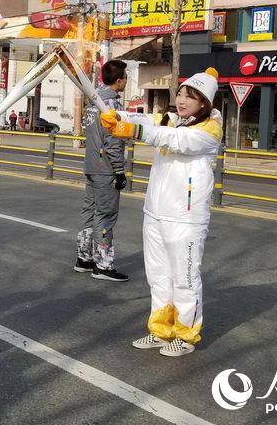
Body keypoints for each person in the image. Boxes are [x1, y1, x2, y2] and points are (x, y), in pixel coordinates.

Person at [101, 68, 222, 358]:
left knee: (185, 278)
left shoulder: (209, 129)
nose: (181, 100)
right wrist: (119, 118)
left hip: (186, 217)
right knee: (159, 276)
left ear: (203, 103)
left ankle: (186, 335)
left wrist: (134, 131)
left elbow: (175, 140)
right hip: (155, 212)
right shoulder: (171, 119)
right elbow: (145, 119)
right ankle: (161, 330)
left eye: (190, 97)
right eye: (180, 93)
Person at [75, 60, 129, 282]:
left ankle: (84, 258)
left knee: (90, 211)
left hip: (90, 165)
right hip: (105, 168)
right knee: (105, 215)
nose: (127, 81)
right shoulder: (110, 107)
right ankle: (104, 265)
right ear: (118, 81)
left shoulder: (93, 101)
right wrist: (119, 170)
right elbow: (113, 140)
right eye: (126, 77)